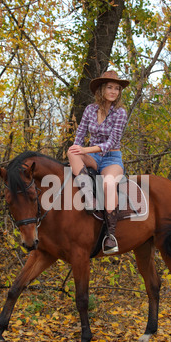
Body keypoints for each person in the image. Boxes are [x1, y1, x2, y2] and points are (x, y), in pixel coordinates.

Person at [67, 70, 130, 255]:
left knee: (109, 183)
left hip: (111, 158)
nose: (113, 91)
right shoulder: (90, 110)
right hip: (93, 158)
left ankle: (111, 236)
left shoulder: (120, 113)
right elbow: (79, 136)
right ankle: (90, 198)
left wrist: (85, 149)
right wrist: (78, 149)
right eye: (110, 87)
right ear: (101, 89)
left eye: (117, 88)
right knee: (71, 151)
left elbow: (111, 142)